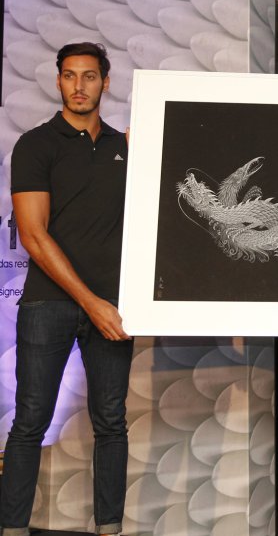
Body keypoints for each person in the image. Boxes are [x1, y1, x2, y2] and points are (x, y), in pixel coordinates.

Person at [2, 42, 132, 536]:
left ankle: (110, 528)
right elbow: (33, 235)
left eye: (91, 76)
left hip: (115, 304)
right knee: (30, 419)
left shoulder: (125, 147)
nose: (80, 86)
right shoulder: (36, 145)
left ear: (105, 82)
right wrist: (91, 302)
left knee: (111, 422)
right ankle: (11, 528)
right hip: (48, 304)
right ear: (58, 81)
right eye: (71, 76)